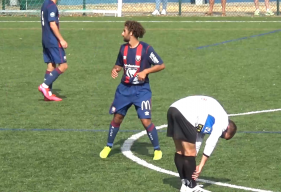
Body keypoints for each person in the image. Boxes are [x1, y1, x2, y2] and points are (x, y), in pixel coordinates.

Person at [100, 20, 165, 161]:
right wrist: (115, 69)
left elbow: (161, 65)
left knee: (145, 120)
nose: (122, 33)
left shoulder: (147, 49)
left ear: (132, 33)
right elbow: (118, 64)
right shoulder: (123, 49)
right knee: (117, 117)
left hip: (141, 91)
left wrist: (146, 71)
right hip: (124, 90)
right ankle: (108, 146)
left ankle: (157, 149)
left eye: (124, 31)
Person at [167, 95, 237, 192]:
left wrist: (194, 155)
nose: (220, 136)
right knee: (189, 153)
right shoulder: (223, 121)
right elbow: (211, 142)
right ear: (228, 128)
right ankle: (191, 187)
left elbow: (198, 137)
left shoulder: (212, 117)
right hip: (185, 114)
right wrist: (200, 166)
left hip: (173, 109)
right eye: (222, 135)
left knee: (180, 151)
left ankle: (185, 184)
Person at [38, 0, 68, 101]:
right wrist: (61, 39)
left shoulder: (45, 4)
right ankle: (44, 86)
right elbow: (52, 24)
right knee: (63, 66)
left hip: (45, 39)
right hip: (53, 41)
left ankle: (48, 94)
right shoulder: (52, 5)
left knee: (51, 66)